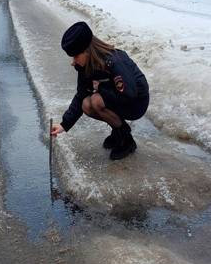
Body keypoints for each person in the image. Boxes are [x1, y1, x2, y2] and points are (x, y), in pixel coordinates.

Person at [50, 22, 150, 160]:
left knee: (96, 101)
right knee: (86, 104)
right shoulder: (86, 66)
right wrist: (64, 124)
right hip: (118, 98)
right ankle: (119, 132)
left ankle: (127, 141)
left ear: (86, 51)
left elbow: (129, 94)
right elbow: (81, 95)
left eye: (75, 56)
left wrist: (101, 88)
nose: (73, 62)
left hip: (136, 102)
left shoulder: (114, 61)